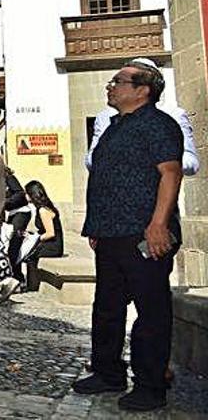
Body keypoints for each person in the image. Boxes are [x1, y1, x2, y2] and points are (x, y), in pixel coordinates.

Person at [74, 59, 183, 412]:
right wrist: (96, 227)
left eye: (118, 81)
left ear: (142, 90)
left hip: (143, 232)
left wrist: (158, 225)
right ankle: (108, 371)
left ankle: (150, 385)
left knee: (150, 311)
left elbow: (170, 173)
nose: (110, 86)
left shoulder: (158, 125)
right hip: (110, 234)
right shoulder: (114, 126)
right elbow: (105, 179)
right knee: (106, 308)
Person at [0, 169, 31, 303]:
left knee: (14, 246)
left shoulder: (8, 177)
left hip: (21, 213)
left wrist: (5, 202)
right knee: (10, 247)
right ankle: (16, 278)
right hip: (12, 214)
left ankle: (18, 279)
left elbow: (19, 193)